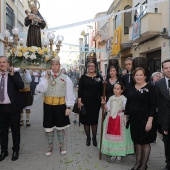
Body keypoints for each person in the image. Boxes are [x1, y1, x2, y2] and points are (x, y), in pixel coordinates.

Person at [36, 58, 74, 156]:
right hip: (48, 106)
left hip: (60, 106)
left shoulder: (66, 78)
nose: (54, 66)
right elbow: (40, 89)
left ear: (59, 65)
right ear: (50, 66)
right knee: (49, 128)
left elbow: (69, 93)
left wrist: (68, 107)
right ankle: (50, 146)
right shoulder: (45, 77)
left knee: (60, 128)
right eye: (52, 65)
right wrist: (46, 78)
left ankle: (61, 146)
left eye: (56, 64)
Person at [125, 67, 157, 170]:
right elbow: (128, 103)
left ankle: (144, 165)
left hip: (146, 120)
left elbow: (153, 105)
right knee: (137, 141)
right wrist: (126, 116)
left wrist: (150, 121)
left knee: (145, 142)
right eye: (136, 75)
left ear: (145, 76)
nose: (138, 77)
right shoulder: (131, 87)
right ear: (134, 76)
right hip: (134, 120)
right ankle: (138, 163)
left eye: (141, 75)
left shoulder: (150, 87)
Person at [101, 82, 134, 162]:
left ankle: (119, 153)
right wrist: (104, 104)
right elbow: (107, 108)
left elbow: (127, 109)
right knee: (111, 137)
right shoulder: (111, 98)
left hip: (120, 120)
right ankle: (112, 153)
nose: (115, 90)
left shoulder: (124, 99)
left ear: (122, 90)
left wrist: (124, 116)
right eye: (114, 88)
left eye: (118, 89)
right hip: (110, 119)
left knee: (120, 138)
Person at [0, 56, 24, 161]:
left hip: (13, 108)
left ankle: (15, 150)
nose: (2, 64)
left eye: (4, 62)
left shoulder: (14, 74)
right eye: (0, 62)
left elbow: (21, 86)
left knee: (15, 130)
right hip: (1, 108)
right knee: (3, 131)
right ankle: (4, 151)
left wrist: (13, 75)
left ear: (8, 64)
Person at [78, 61, 103, 147]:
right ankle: (88, 138)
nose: (91, 67)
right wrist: (79, 101)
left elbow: (101, 90)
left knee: (94, 121)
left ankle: (94, 138)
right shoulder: (83, 77)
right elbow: (80, 91)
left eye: (93, 66)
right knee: (86, 122)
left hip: (95, 103)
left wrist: (102, 99)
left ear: (95, 67)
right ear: (87, 67)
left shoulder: (99, 77)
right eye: (90, 66)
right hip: (85, 103)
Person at [155, 59, 170, 170]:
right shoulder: (159, 84)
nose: (168, 70)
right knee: (167, 144)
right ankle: (168, 163)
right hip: (165, 120)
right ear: (163, 70)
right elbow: (157, 102)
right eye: (166, 68)